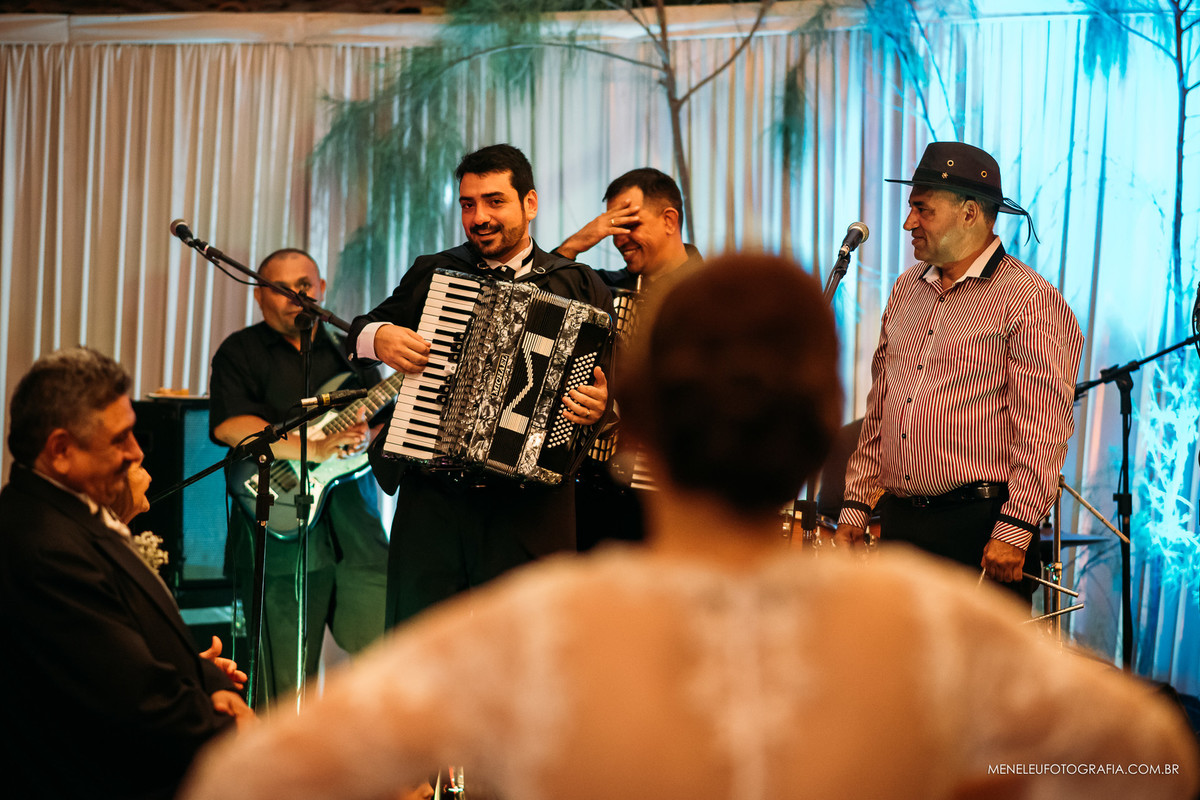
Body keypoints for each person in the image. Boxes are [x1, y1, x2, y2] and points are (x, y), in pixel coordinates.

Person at [182, 255, 1197, 800]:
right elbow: (1159, 757)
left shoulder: (532, 634)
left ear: (645, 417)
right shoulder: (937, 631)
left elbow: (247, 781)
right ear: (821, 430)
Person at [345, 143, 614, 626]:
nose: (479, 217)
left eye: (494, 201)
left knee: (526, 658)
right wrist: (379, 337)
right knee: (419, 652)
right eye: (468, 204)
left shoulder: (578, 284)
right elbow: (359, 331)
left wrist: (600, 403)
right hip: (436, 505)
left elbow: (610, 387)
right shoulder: (435, 271)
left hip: (528, 510)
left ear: (529, 204)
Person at [836, 142, 1084, 599]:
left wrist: (1015, 528)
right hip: (899, 521)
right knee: (895, 667)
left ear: (970, 213)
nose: (909, 222)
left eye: (922, 209)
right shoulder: (907, 288)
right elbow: (880, 411)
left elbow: (1044, 427)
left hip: (979, 526)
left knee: (970, 672)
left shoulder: (1027, 298)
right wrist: (855, 503)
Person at [1, 347, 253, 799]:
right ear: (60, 450)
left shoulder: (61, 513)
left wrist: (194, 674)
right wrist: (240, 733)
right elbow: (139, 705)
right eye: (120, 439)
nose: (137, 453)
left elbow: (100, 662)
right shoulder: (47, 549)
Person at [209, 248, 390, 705]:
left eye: (304, 285)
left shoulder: (351, 352)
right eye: (280, 288)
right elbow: (230, 425)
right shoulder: (240, 351)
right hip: (279, 526)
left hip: (358, 527)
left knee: (390, 652)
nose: (296, 296)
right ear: (260, 298)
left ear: (321, 289)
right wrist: (312, 447)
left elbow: (389, 420)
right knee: (286, 687)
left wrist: (372, 433)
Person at [555, 167, 705, 549]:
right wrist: (581, 240)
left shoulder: (710, 294)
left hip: (668, 495)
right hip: (590, 488)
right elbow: (543, 289)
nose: (618, 237)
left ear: (669, 220)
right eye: (611, 225)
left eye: (629, 223)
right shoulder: (605, 286)